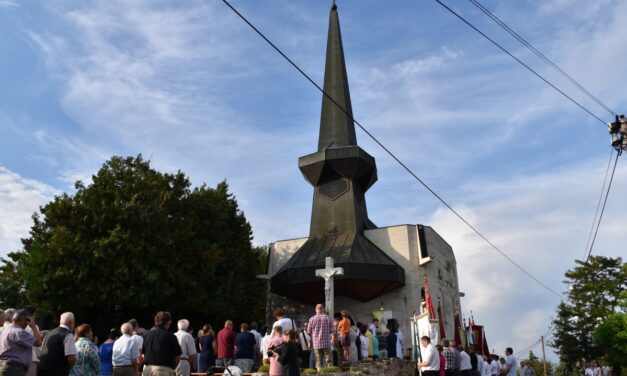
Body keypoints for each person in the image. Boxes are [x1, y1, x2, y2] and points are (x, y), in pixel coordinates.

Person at [0, 308, 43, 376]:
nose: (27, 323)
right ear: (24, 320)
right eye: (28, 320)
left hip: (5, 367)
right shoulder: (19, 332)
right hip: (15, 369)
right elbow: (39, 343)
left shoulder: (6, 330)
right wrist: (33, 327)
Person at [142, 311, 182, 375]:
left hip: (147, 370)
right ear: (168, 322)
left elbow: (142, 354)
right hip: (163, 370)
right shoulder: (171, 336)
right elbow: (177, 357)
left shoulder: (146, 335)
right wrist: (171, 368)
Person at [39, 312, 77, 376]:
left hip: (43, 369)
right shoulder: (68, 335)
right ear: (71, 322)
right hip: (58, 371)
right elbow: (71, 358)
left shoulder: (49, 333)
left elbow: (42, 351)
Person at [306, 304, 334, 372]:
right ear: (323, 309)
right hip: (326, 343)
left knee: (318, 364)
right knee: (329, 362)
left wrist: (314, 335)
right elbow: (332, 330)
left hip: (316, 344)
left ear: (316, 309)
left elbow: (308, 331)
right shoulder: (327, 318)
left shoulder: (312, 319)